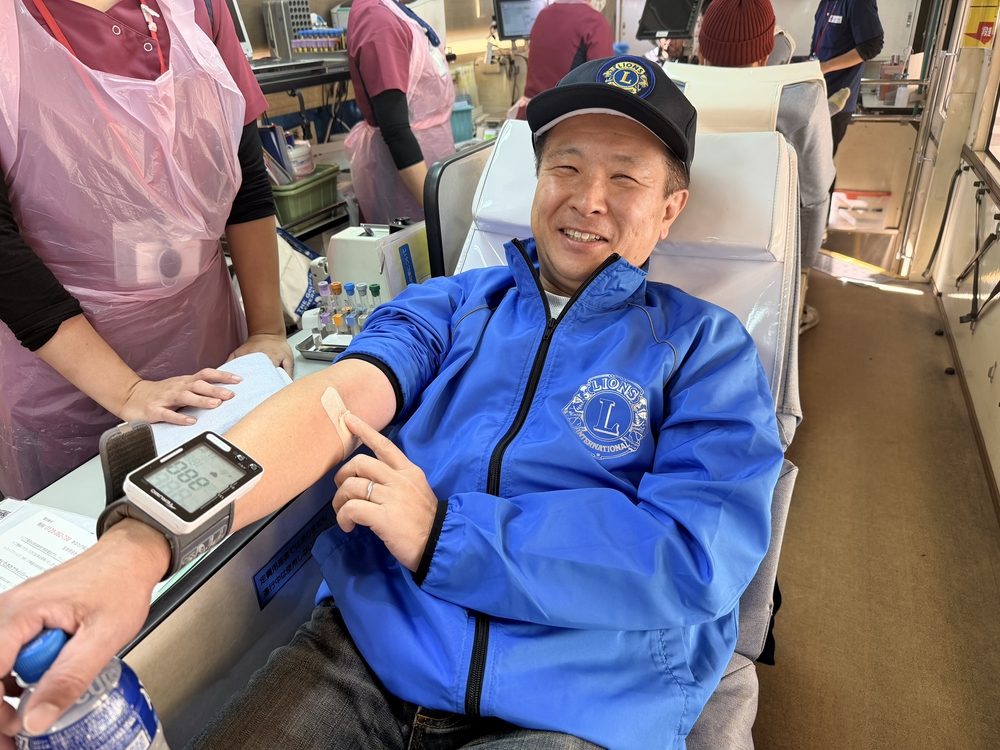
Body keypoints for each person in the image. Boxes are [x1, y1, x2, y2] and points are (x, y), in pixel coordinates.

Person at [0, 56, 784, 749]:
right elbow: (330, 401)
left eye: (626, 178)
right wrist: (139, 544)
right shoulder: (451, 306)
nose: (588, 200)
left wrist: (445, 534)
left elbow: (694, 554)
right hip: (370, 657)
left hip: (578, 701)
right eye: (567, 168)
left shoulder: (705, 351)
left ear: (670, 208)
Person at [0, 0, 292, 499]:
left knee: (229, 509)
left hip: (207, 344)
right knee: (97, 521)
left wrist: (266, 329)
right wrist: (127, 390)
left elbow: (244, 176)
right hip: (63, 374)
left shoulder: (201, 10)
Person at [698, 0, 835, 334]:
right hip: (769, 265)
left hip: (679, 259)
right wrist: (803, 266)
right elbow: (814, 197)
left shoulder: (671, 91)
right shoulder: (803, 102)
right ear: (766, 55)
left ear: (701, 51)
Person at [345, 0, 457, 225]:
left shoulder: (395, 11)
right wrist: (436, 209)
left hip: (432, 169)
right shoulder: (376, 19)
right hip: (406, 185)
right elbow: (396, 130)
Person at [516, 0, 614, 118]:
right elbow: (603, 86)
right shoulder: (594, 21)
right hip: (565, 119)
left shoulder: (543, 15)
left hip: (531, 115)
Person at [810, 0, 883, 154]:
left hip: (836, 100)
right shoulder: (826, 2)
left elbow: (872, 46)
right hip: (816, 93)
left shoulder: (857, 3)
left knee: (821, 161)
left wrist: (826, 66)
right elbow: (820, 41)